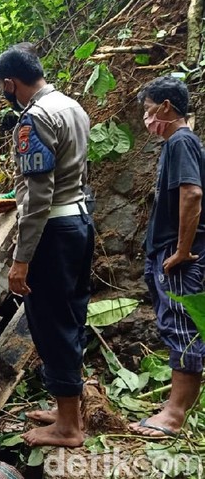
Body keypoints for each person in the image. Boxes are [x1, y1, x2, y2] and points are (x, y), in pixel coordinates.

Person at [0, 45, 94, 447]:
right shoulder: (72, 106)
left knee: (51, 324)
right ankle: (67, 408)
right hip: (79, 221)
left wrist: (21, 260)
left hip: (51, 233)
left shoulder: (32, 119)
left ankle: (68, 428)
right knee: (71, 316)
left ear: (10, 83)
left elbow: (38, 198)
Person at [130, 77, 205, 438]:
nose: (147, 119)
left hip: (180, 255)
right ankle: (174, 409)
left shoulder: (181, 141)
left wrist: (181, 250)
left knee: (182, 328)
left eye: (148, 111)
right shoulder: (177, 143)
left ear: (166, 107)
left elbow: (192, 195)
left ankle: (174, 417)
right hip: (169, 250)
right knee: (177, 324)